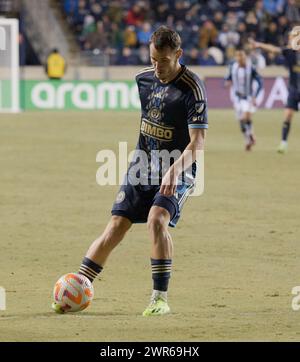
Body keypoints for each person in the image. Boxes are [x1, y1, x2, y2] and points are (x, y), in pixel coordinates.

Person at [52, 26, 208, 316]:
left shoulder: (193, 87)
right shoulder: (144, 80)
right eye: (152, 59)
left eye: (163, 60)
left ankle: (159, 298)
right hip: (142, 166)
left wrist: (173, 172)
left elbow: (198, 143)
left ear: (178, 54)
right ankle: (75, 287)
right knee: (115, 227)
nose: (157, 67)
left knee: (156, 220)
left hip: (178, 167)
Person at [249, 28, 300, 153]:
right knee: (287, 115)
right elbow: (274, 49)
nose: (291, 38)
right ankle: (283, 143)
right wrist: (259, 45)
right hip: (294, 89)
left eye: (294, 36)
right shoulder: (289, 52)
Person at [224, 48, 263, 151]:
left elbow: (260, 82)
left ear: (245, 57)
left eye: (242, 56)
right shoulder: (233, 67)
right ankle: (248, 139)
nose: (240, 58)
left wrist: (255, 96)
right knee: (244, 121)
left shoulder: (251, 68)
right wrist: (227, 82)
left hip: (248, 97)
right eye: (238, 56)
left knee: (244, 117)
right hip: (237, 97)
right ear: (236, 57)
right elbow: (227, 77)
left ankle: (250, 137)